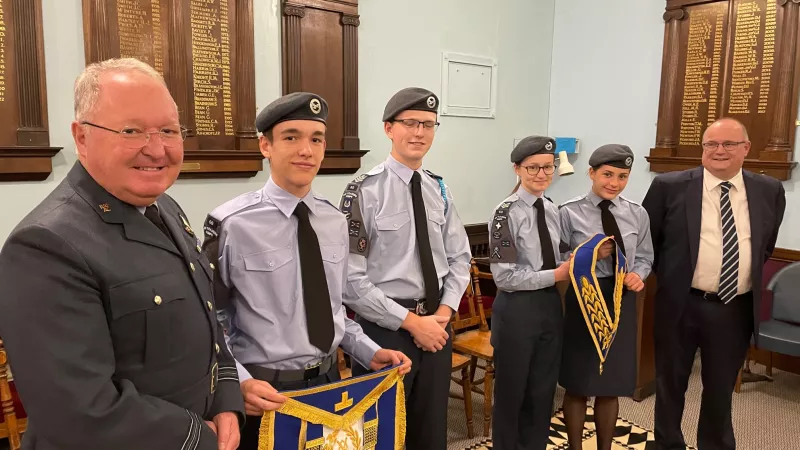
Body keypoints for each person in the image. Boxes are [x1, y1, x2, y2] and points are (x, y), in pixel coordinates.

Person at [0, 58, 244, 450]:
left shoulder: (165, 208)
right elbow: (78, 412)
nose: (156, 148)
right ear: (81, 137)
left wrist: (226, 399)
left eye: (168, 130)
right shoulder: (44, 245)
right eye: (131, 131)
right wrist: (199, 437)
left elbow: (206, 321)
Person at [201, 92, 411, 450]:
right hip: (265, 393)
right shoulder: (231, 224)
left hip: (331, 384)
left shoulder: (333, 221)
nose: (306, 150)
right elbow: (209, 322)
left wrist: (368, 350)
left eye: (316, 139)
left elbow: (333, 310)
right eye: (291, 137)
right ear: (265, 145)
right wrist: (239, 381)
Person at [339, 87, 472, 450]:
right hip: (386, 330)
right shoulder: (363, 191)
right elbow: (351, 280)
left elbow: (460, 257)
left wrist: (443, 313)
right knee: (382, 434)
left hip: (438, 327)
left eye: (428, 125)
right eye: (410, 123)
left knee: (431, 431)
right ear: (388, 129)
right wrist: (413, 323)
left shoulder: (439, 189)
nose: (419, 133)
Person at [643, 118, 785, 450]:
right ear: (703, 148)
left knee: (720, 389)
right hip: (680, 304)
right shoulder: (669, 186)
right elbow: (649, 244)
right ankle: (666, 445)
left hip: (732, 308)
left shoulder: (769, 190)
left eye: (729, 144)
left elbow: (764, 245)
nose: (719, 151)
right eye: (711, 144)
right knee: (670, 385)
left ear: (745, 149)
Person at [558, 144, 653, 450]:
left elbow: (646, 257)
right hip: (584, 297)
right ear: (591, 173)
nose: (614, 182)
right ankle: (574, 446)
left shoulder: (637, 214)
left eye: (622, 176)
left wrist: (639, 274)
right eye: (607, 174)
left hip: (620, 298)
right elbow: (557, 256)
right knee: (578, 380)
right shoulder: (568, 212)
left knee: (610, 382)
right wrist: (587, 254)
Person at [488, 136, 571, 450]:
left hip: (550, 304)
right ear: (517, 169)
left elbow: (555, 256)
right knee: (512, 394)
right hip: (517, 310)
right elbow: (505, 276)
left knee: (542, 390)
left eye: (548, 168)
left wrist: (575, 262)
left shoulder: (551, 209)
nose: (541, 174)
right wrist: (557, 274)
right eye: (533, 167)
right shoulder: (504, 214)